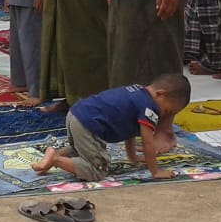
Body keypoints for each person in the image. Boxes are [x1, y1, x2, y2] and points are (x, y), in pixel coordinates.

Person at [30, 74, 192, 181]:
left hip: (76, 114)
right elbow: (147, 142)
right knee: (97, 170)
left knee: (80, 149)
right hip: (88, 125)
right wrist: (155, 172)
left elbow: (130, 131)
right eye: (167, 111)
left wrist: (133, 157)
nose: (163, 115)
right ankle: (56, 159)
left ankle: (53, 154)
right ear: (160, 93)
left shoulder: (137, 91)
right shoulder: (149, 108)